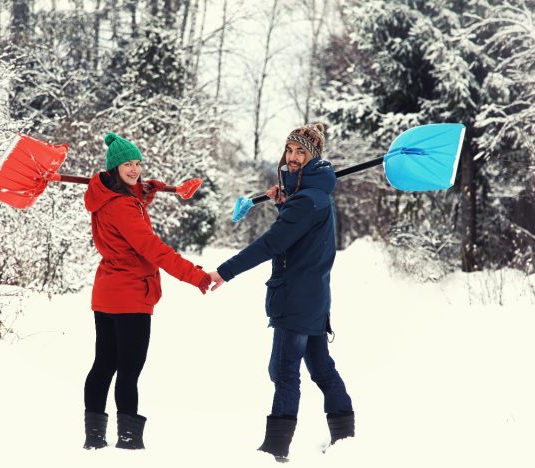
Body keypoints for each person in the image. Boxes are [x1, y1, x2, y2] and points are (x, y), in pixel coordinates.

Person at [209, 123, 354, 461]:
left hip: (295, 300)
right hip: (313, 299)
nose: (292, 158)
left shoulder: (307, 201)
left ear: (314, 157)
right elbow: (297, 238)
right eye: (290, 150)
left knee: (284, 372)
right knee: (320, 369)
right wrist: (283, 204)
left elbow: (273, 243)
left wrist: (224, 272)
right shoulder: (315, 197)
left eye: (301, 152)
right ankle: (346, 439)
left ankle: (275, 449)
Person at [83, 132, 211, 451]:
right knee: (128, 369)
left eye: (138, 163)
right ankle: (128, 441)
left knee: (104, 364)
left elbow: (129, 212)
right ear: (114, 168)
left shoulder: (107, 197)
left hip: (107, 291)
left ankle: (94, 438)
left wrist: (145, 192)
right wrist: (194, 275)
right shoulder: (124, 206)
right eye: (127, 164)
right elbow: (151, 247)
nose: (135, 169)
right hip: (130, 295)